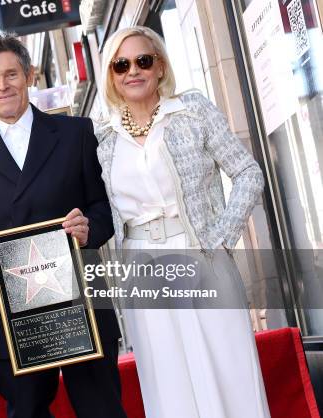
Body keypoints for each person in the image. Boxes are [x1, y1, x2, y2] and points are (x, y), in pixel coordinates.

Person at [95, 25, 270, 418]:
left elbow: (248, 173)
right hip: (141, 267)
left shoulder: (193, 110)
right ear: (111, 76)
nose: (132, 71)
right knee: (168, 379)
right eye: (121, 65)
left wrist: (219, 239)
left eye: (143, 60)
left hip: (202, 256)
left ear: (160, 66)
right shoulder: (102, 136)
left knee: (229, 368)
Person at [0, 33, 127, 418]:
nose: (2, 85)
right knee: (27, 413)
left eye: (11, 74)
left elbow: (104, 209)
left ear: (29, 75)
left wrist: (89, 229)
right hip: (11, 315)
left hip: (81, 303)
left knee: (103, 409)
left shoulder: (75, 133)